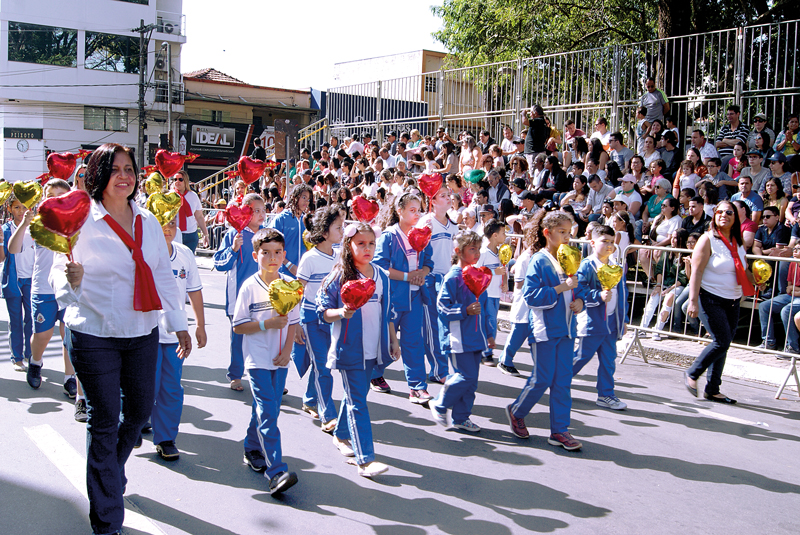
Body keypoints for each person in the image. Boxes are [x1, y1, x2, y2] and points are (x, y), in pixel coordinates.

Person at [51, 143, 190, 535]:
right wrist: (70, 281)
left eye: (130, 169)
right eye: (115, 169)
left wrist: (178, 322)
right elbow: (58, 273)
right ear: (98, 175)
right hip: (93, 333)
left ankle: (109, 473)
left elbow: (162, 274)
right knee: (105, 420)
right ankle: (107, 520)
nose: (125, 176)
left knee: (140, 412)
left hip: (142, 331)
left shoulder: (146, 220)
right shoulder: (80, 218)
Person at [317, 222, 400, 477]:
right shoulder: (339, 275)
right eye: (360, 243)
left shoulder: (381, 275)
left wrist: (393, 339)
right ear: (348, 245)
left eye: (371, 243)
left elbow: (388, 312)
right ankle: (365, 460)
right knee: (357, 403)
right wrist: (340, 312)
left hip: (374, 350)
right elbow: (322, 311)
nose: (367, 248)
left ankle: (341, 434)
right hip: (349, 350)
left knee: (358, 395)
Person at [505, 210, 585, 450]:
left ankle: (559, 430)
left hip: (567, 329)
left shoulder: (568, 257)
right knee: (542, 378)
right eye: (561, 232)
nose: (566, 237)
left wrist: (580, 300)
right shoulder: (539, 260)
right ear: (547, 233)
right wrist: (562, 288)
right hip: (544, 330)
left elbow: (577, 287)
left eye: (568, 233)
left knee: (562, 381)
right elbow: (530, 296)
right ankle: (517, 411)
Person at [232, 228, 300, 494]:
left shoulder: (290, 285)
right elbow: (239, 326)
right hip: (258, 359)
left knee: (268, 409)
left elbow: (293, 323)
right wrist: (266, 323)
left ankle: (252, 447)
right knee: (268, 412)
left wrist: (287, 351)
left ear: (284, 255)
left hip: (279, 359)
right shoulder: (249, 286)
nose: (272, 258)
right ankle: (276, 471)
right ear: (255, 255)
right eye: (266, 253)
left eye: (277, 253)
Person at [7, 180, 74, 393]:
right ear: (44, 199)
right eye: (51, 195)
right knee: (43, 335)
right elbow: (13, 249)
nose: (56, 199)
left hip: (68, 288)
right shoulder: (36, 224)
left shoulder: (75, 223)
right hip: (43, 288)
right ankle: (35, 363)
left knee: (68, 335)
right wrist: (24, 225)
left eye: (61, 195)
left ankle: (69, 377)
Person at [686, 200, 755, 404]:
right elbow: (696, 271)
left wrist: (757, 279)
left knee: (724, 344)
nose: (724, 215)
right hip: (709, 297)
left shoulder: (738, 241)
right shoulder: (707, 239)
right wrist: (692, 301)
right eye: (720, 212)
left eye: (729, 212)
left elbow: (743, 269)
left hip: (732, 299)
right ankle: (692, 373)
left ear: (735, 218)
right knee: (721, 341)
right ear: (714, 216)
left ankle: (713, 389)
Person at [151, 216, 206, 461]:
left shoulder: (184, 254)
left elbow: (194, 290)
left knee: (171, 387)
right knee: (144, 386)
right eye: (162, 222)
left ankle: (165, 438)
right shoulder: (143, 251)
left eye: (172, 223)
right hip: (145, 332)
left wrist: (200, 325)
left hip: (174, 334)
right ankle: (132, 423)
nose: (168, 228)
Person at [372, 193, 434, 402]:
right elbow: (381, 267)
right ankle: (374, 374)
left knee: (413, 342)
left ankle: (417, 387)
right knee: (387, 341)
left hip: (415, 297)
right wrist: (409, 276)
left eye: (419, 210)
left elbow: (429, 264)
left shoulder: (423, 235)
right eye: (412, 210)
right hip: (394, 298)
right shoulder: (389, 236)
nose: (417, 214)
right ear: (400, 211)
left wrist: (422, 274)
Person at [430, 229, 489, 432]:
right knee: (465, 376)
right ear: (458, 250)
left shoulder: (478, 275)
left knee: (471, 382)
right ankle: (439, 402)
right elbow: (442, 307)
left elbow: (485, 309)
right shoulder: (453, 277)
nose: (477, 253)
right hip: (458, 337)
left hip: (475, 337)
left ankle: (461, 417)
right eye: (472, 249)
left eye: (479, 249)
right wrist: (464, 310)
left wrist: (489, 333)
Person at [291, 205, 343, 433]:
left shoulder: (340, 255)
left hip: (332, 319)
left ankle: (310, 399)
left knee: (321, 362)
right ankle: (328, 414)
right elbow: (297, 293)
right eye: (338, 227)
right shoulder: (309, 259)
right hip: (311, 318)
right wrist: (297, 323)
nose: (343, 230)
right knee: (323, 367)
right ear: (324, 232)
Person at [214, 193, 267, 391]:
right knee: (239, 337)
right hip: (238, 297)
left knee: (264, 336)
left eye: (263, 210)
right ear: (245, 212)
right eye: (256, 211)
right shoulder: (233, 234)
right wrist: (234, 249)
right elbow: (220, 264)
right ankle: (236, 374)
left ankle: (263, 376)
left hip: (263, 296)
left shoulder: (268, 235)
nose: (261, 214)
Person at [573, 224, 628, 410]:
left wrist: (624, 319)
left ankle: (606, 394)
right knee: (581, 356)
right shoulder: (587, 265)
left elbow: (623, 294)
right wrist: (597, 296)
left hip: (612, 320)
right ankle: (557, 381)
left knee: (608, 359)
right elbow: (580, 289)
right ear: (592, 242)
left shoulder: (616, 266)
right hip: (593, 320)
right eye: (604, 241)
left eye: (612, 242)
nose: (609, 245)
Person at [418, 186, 458, 383]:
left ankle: (443, 368)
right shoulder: (426, 223)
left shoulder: (453, 225)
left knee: (444, 326)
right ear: (432, 201)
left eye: (448, 195)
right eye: (442, 196)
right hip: (430, 280)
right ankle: (439, 370)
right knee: (432, 326)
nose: (448, 198)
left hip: (447, 280)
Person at [2, 193, 34, 373]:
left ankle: (31, 353)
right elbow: (3, 257)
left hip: (31, 278)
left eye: (24, 207)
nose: (21, 211)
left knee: (31, 319)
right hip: (13, 280)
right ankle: (17, 356)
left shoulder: (36, 227)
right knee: (15, 320)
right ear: (9, 209)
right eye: (16, 207)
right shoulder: (6, 229)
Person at [498, 225, 534, 377]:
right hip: (524, 303)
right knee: (518, 334)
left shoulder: (537, 256)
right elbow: (519, 283)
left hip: (534, 304)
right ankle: (505, 361)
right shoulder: (525, 258)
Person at [758, 243, 800, 353]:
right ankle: (768, 342)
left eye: (798, 249)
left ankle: (792, 347)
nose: (795, 251)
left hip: (797, 297)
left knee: (787, 310)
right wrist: (795, 289)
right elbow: (788, 288)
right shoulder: (793, 263)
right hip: (791, 295)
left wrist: (794, 289)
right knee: (764, 306)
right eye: (794, 248)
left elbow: (791, 288)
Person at [476, 219, 507, 366]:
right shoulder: (482, 252)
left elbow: (503, 268)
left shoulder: (500, 251)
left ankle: (484, 351)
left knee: (491, 322)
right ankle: (486, 353)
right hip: (485, 293)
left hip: (496, 293)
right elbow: (474, 272)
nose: (505, 235)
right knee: (489, 323)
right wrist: (494, 272)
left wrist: (505, 281)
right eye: (503, 233)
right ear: (494, 235)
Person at [269, 184, 312, 278]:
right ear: (294, 197)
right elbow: (272, 245)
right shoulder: (280, 219)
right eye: (303, 197)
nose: (306, 202)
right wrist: (288, 265)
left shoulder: (306, 220)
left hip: (303, 275)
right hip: (284, 273)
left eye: (308, 199)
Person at [172, 170, 210, 252]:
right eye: (175, 179)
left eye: (180, 179)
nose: (177, 181)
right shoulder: (170, 196)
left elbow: (199, 216)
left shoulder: (193, 195)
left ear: (185, 180)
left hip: (191, 235)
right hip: (175, 234)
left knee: (188, 262)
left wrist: (205, 234)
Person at [715, 104, 750, 169]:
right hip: (720, 154)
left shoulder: (744, 128)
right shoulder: (724, 128)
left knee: (723, 161)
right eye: (728, 114)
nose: (729, 116)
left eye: (731, 114)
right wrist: (732, 142)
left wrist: (725, 140)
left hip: (733, 155)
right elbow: (717, 144)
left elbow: (739, 142)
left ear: (738, 114)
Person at [522, 104, 550, 170]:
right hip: (535, 150)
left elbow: (525, 122)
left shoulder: (539, 121)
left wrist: (523, 114)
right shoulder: (542, 121)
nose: (530, 115)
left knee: (533, 171)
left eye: (531, 112)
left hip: (534, 152)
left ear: (535, 113)